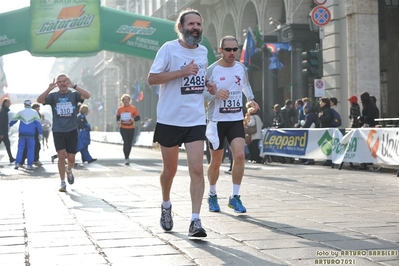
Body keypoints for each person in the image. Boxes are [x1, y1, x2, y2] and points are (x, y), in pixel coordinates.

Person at [147, 8, 215, 238]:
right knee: (170, 171)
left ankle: (195, 220)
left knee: (197, 169)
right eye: (191, 24)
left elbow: (198, 81)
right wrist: (181, 72)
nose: (195, 28)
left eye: (198, 24)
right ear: (181, 27)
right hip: (169, 119)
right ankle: (166, 205)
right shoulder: (168, 49)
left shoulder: (204, 51)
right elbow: (152, 78)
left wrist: (209, 87)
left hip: (195, 119)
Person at [203, 35, 259, 214]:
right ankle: (212, 194)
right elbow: (201, 94)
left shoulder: (240, 67)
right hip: (217, 120)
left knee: (240, 156)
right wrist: (215, 95)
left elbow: (245, 86)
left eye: (235, 49)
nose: (232, 53)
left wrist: (251, 100)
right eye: (228, 49)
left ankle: (234, 197)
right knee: (216, 161)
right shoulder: (212, 70)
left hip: (235, 119)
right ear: (220, 50)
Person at [37, 73, 91, 192]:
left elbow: (87, 95)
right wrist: (49, 89)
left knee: (71, 158)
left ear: (67, 82)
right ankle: (62, 182)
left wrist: (74, 85)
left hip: (72, 130)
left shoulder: (73, 95)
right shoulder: (53, 96)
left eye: (64, 81)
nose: (62, 83)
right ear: (57, 84)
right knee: (61, 156)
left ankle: (69, 170)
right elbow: (39, 100)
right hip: (58, 130)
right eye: (59, 82)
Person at [9, 100, 42, 170]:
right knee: (31, 149)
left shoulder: (21, 112)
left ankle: (17, 163)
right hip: (31, 134)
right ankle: (29, 165)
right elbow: (38, 124)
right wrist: (40, 133)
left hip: (22, 134)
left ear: (24, 105)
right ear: (30, 104)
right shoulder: (35, 113)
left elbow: (13, 121)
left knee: (20, 148)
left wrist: (9, 125)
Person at [116, 94, 140, 166]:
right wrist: (118, 121)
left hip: (131, 128)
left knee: (129, 143)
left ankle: (127, 156)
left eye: (127, 100)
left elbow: (138, 117)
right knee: (126, 142)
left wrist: (134, 119)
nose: (126, 101)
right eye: (124, 100)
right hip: (123, 127)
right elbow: (117, 117)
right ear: (122, 101)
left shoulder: (133, 108)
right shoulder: (120, 109)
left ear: (129, 101)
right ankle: (126, 158)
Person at [318, 97, 333, 166]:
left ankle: (329, 160)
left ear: (324, 103)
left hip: (327, 129)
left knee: (327, 145)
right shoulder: (325, 110)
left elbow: (328, 119)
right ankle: (328, 159)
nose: (320, 103)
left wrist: (321, 117)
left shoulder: (326, 110)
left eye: (321, 102)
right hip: (325, 129)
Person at [0, 98, 15, 163]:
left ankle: (11, 158)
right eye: (8, 103)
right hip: (2, 133)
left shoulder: (5, 111)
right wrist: (1, 133)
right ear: (5, 103)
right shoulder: (2, 111)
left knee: (8, 145)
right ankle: (11, 158)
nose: (10, 104)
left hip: (4, 132)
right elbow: (1, 122)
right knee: (7, 145)